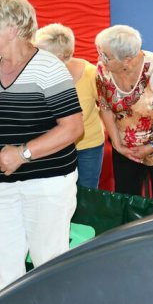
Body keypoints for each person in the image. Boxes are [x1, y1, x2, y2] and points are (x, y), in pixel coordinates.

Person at [0, 0, 83, 293]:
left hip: (47, 184)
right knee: (5, 268)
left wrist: (24, 153)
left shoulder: (48, 68)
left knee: (48, 264)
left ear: (12, 29)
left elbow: (73, 128)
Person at [95, 25, 153, 200]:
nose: (101, 59)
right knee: (127, 199)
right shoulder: (102, 70)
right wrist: (118, 144)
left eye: (106, 56)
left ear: (127, 60)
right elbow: (105, 107)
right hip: (125, 145)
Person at [35, 23, 105, 189]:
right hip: (53, 146)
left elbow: (107, 107)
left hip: (88, 146)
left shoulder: (90, 73)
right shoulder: (36, 75)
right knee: (57, 194)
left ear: (60, 56)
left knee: (86, 193)